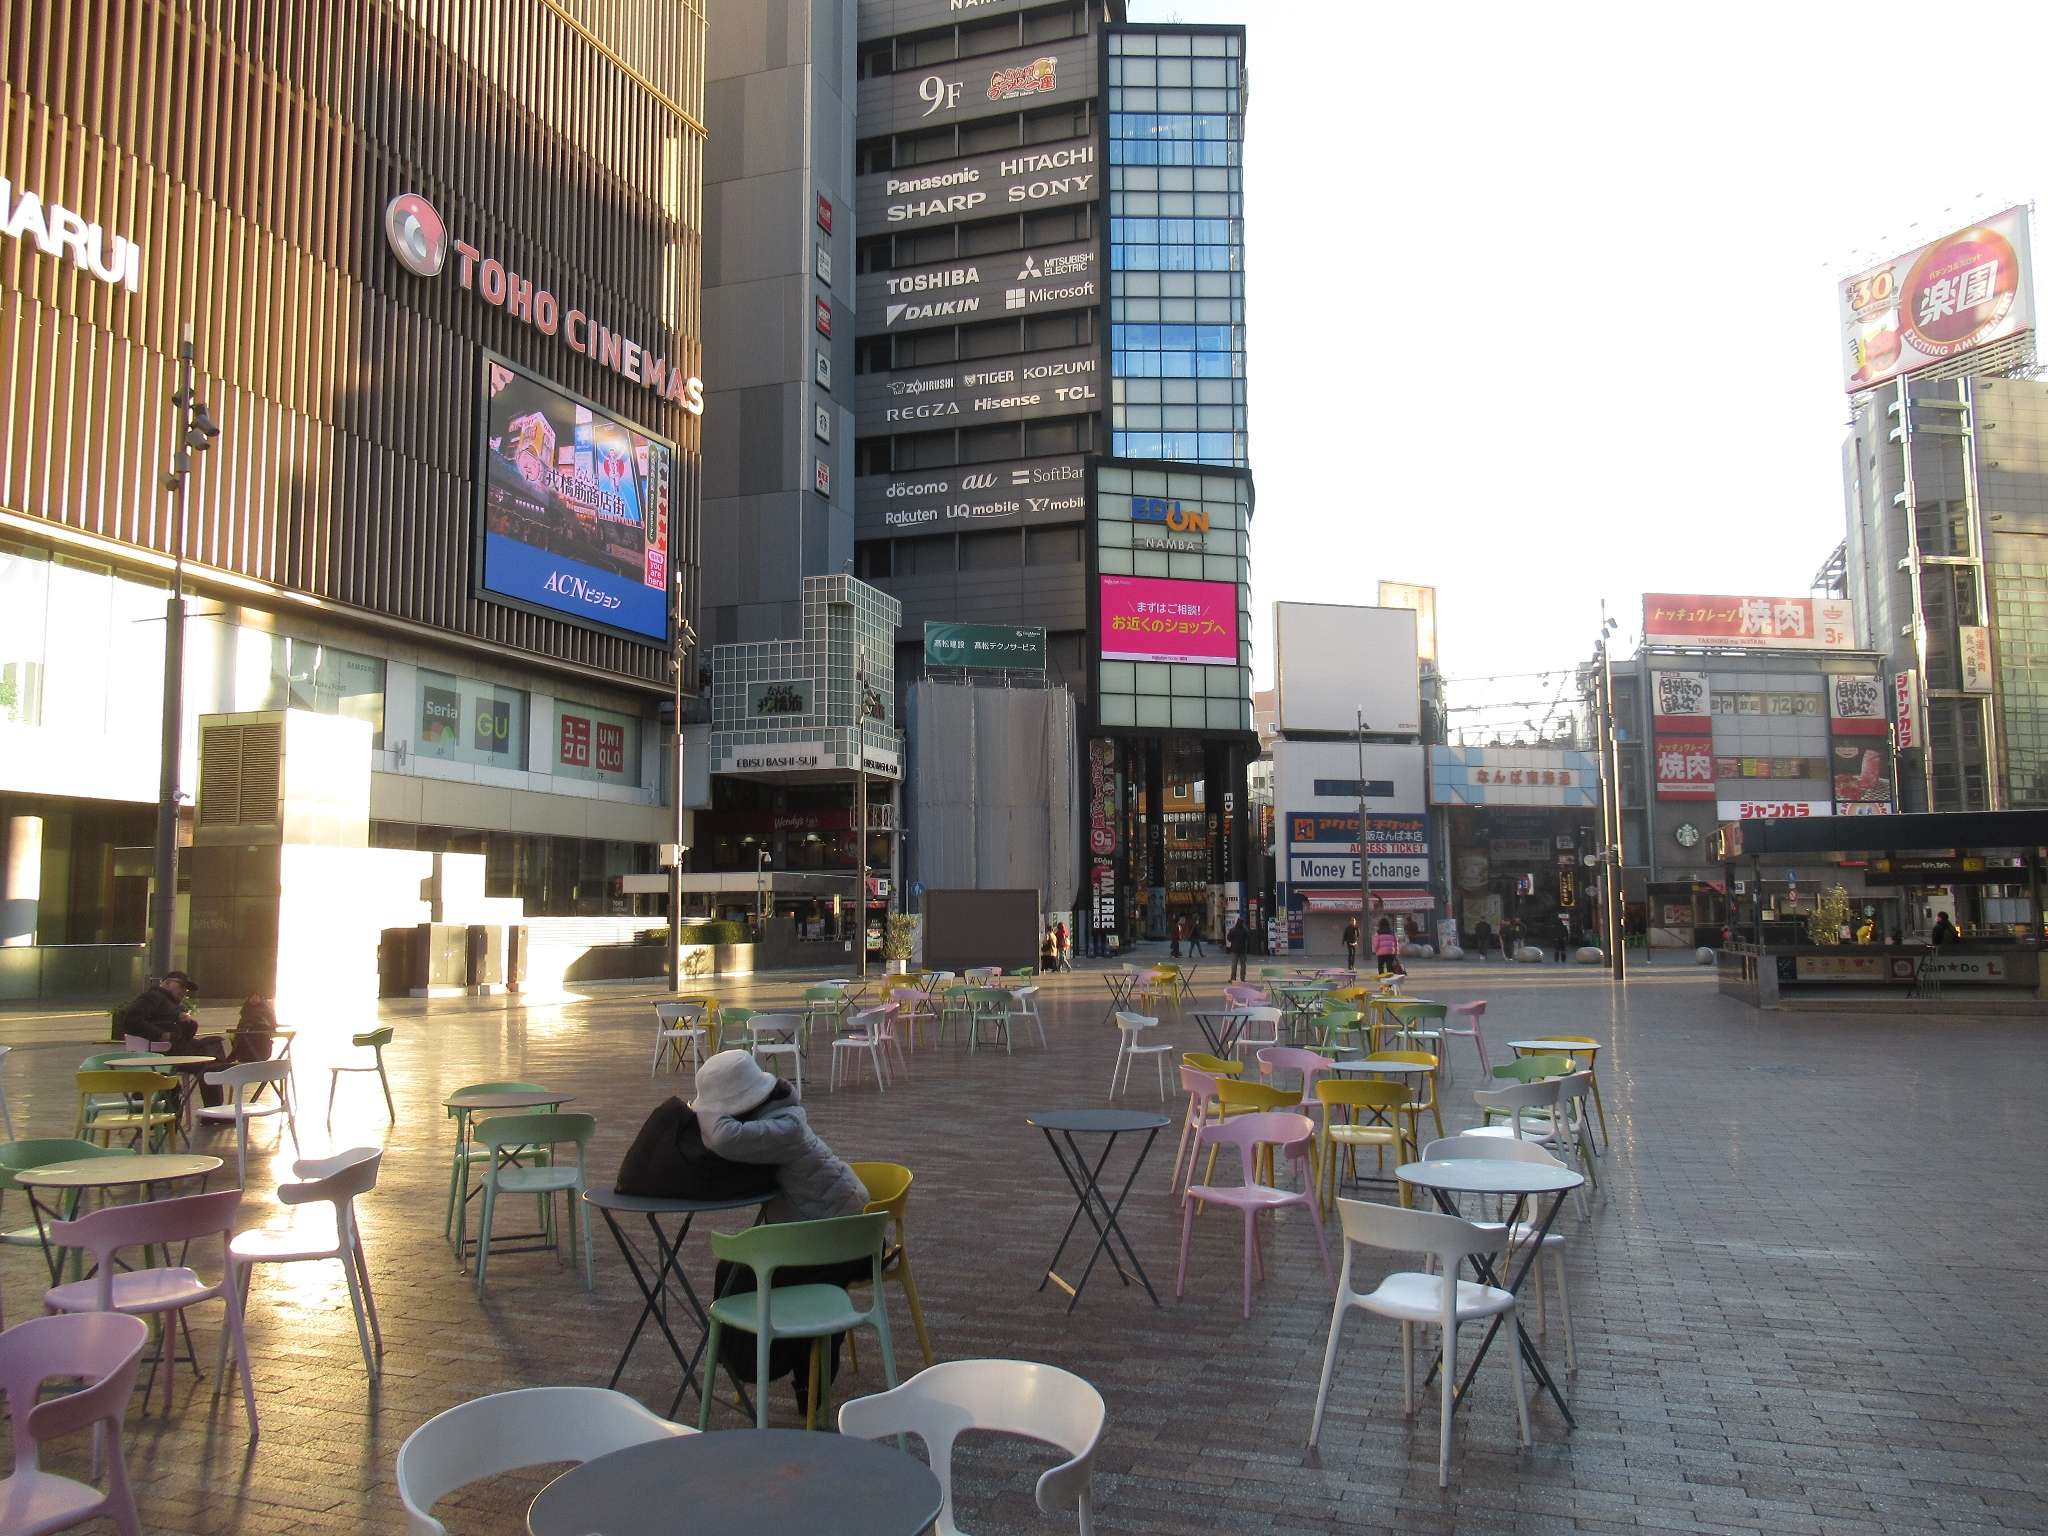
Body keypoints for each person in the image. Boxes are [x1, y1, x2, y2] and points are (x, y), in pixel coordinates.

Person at [691, 1051, 871, 1409]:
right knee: (745, 1272)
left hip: (846, 1239)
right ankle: (797, 1374)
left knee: (746, 1275)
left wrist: (703, 1109)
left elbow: (724, 1138)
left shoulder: (783, 1127)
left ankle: (789, 1371)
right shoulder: (777, 1116)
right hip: (823, 1228)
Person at [116, 970, 228, 1105]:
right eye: (181, 986)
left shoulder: (173, 1005)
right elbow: (131, 1020)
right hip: (163, 1052)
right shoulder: (153, 997)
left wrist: (188, 1023)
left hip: (175, 1048)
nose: (184, 991)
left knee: (213, 1048)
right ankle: (213, 1108)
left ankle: (219, 1082)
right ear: (167, 983)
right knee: (210, 1059)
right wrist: (160, 1034)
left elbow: (185, 1035)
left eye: (186, 989)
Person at [228, 995, 281, 1066]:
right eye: (251, 996)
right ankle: (234, 1054)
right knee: (240, 1035)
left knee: (242, 1035)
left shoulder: (266, 1012)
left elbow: (272, 1026)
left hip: (259, 1049)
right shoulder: (246, 1011)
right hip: (256, 1051)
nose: (254, 998)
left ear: (260, 998)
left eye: (256, 996)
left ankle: (233, 1055)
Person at [1227, 915, 1249, 981]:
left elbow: (1229, 939)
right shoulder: (1244, 931)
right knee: (1243, 965)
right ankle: (1242, 978)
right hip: (1242, 950)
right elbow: (1248, 936)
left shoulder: (1232, 930)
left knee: (1234, 965)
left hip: (1234, 950)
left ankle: (1233, 978)